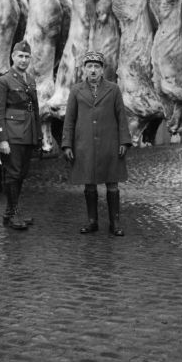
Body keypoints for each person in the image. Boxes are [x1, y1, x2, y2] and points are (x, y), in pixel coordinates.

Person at [62, 51, 132, 236]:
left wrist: (124, 140)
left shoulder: (113, 89)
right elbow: (69, 119)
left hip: (110, 143)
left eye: (97, 67)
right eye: (89, 66)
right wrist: (67, 144)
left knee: (112, 183)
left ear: (102, 70)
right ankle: (92, 221)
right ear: (84, 69)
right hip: (84, 144)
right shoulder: (76, 90)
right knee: (89, 183)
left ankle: (114, 223)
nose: (93, 70)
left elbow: (121, 117)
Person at [0, 40, 42, 230]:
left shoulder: (30, 80)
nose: (24, 60)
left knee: (21, 174)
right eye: (20, 56)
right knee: (12, 174)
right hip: (12, 135)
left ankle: (11, 212)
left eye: (27, 57)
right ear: (13, 57)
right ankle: (12, 214)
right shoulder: (3, 81)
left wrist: (38, 136)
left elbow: (35, 109)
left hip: (28, 134)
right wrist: (2, 139)